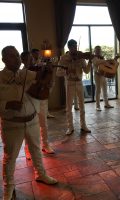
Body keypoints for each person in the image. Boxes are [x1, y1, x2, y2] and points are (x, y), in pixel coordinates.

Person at [0, 46, 58, 200]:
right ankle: (9, 187)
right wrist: (7, 104)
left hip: (32, 120)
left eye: (18, 55)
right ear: (4, 59)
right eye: (12, 56)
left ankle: (41, 174)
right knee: (10, 157)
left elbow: (43, 80)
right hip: (12, 124)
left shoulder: (26, 73)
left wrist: (49, 71)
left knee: (36, 149)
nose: (17, 58)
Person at [21, 51, 55, 156]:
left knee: (43, 123)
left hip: (42, 99)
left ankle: (45, 145)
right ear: (22, 61)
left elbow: (48, 82)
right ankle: (27, 149)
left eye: (31, 58)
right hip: (29, 101)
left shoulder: (38, 68)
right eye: (28, 59)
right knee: (29, 126)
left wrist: (49, 73)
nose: (31, 61)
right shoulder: (23, 72)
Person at [57, 39, 91, 135]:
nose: (75, 49)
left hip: (80, 82)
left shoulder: (81, 57)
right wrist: (66, 71)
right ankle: (70, 127)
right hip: (69, 83)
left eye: (76, 47)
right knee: (68, 107)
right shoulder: (64, 58)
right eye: (73, 47)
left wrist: (90, 62)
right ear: (69, 47)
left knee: (82, 105)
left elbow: (87, 71)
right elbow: (58, 73)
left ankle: (83, 125)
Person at [31, 48, 55, 118]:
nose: (37, 55)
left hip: (44, 82)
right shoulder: (31, 62)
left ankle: (46, 113)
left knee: (45, 98)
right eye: (35, 53)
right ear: (32, 54)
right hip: (35, 83)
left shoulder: (42, 60)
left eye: (38, 53)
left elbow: (48, 69)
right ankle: (38, 113)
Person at [91, 46, 115, 111]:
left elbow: (106, 64)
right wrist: (103, 61)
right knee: (98, 90)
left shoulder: (102, 58)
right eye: (97, 50)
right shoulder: (93, 57)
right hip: (97, 76)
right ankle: (97, 106)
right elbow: (96, 62)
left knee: (105, 90)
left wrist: (106, 61)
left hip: (103, 75)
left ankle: (106, 104)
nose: (98, 51)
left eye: (99, 50)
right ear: (94, 51)